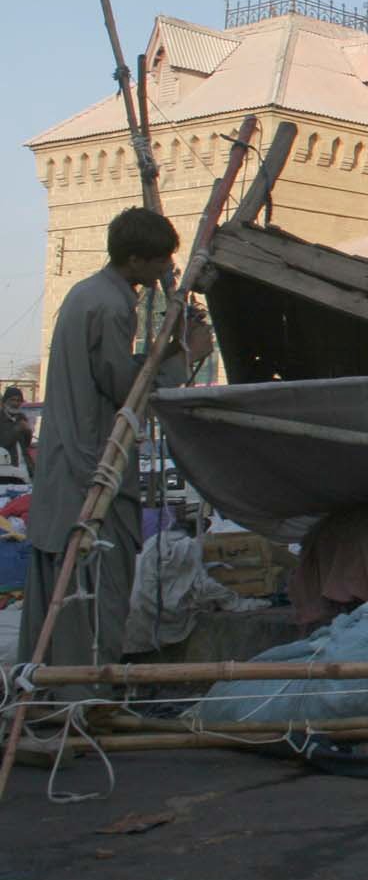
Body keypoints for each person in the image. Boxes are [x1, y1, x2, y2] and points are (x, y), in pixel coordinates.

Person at [18, 207, 212, 688]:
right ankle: (76, 698)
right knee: (92, 590)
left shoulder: (89, 294)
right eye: (161, 260)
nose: (166, 268)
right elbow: (124, 386)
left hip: (70, 463)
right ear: (135, 259)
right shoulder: (110, 305)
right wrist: (183, 353)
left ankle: (52, 695)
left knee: (64, 590)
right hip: (92, 470)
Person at [1, 386, 31, 473]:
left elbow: (26, 444)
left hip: (24, 465)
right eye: (12, 400)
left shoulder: (21, 418)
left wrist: (28, 431)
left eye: (18, 400)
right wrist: (17, 428)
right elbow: (3, 443)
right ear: (4, 402)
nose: (15, 403)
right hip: (6, 468)